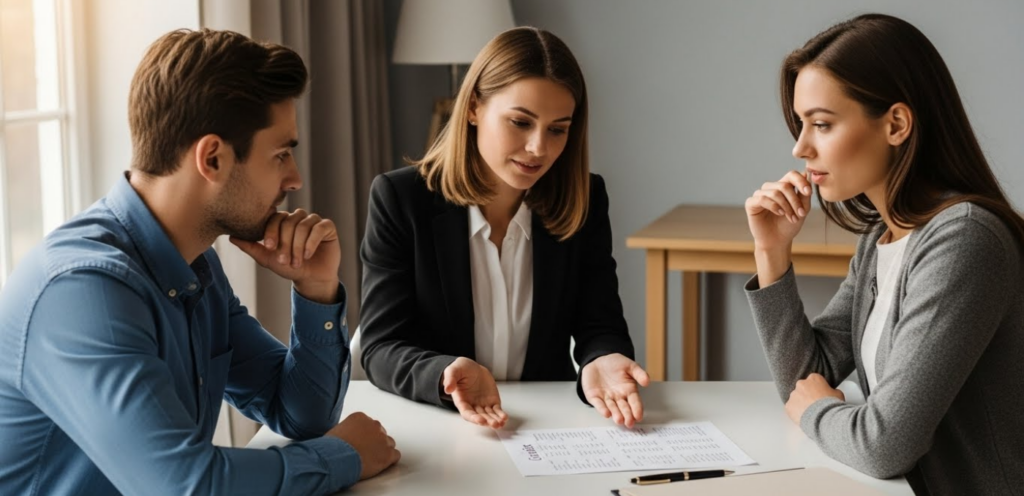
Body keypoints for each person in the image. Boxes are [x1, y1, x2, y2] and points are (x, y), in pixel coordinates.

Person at [0, 28, 399, 495]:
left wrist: (316, 290)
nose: (294, 178)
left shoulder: (194, 265)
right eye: (281, 154)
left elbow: (299, 413)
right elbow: (185, 487)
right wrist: (345, 455)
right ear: (212, 158)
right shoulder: (83, 292)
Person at [743, 14, 1024, 495]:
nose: (800, 147)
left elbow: (882, 445)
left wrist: (817, 410)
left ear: (896, 123)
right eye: (801, 124)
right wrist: (772, 252)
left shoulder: (963, 242)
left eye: (821, 124)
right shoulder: (883, 238)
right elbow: (806, 378)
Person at [359, 26, 649, 430]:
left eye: (557, 129)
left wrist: (602, 358)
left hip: (548, 426)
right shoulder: (400, 198)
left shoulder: (586, 197)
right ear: (474, 107)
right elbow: (380, 346)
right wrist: (443, 374)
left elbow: (599, 323)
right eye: (520, 122)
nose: (539, 149)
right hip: (443, 427)